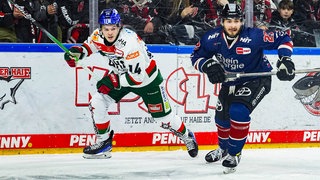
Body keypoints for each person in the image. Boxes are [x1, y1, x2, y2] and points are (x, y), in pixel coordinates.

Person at [64, 8, 198, 159]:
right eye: (106, 29)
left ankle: (187, 136)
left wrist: (114, 81)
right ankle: (104, 143)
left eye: (113, 28)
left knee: (163, 120)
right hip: (122, 75)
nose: (109, 33)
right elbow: (90, 47)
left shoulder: (130, 43)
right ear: (101, 28)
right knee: (97, 101)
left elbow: (138, 78)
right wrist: (78, 52)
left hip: (147, 80)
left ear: (119, 26)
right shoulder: (97, 35)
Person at [190, 3, 295, 173]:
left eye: (237, 21)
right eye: (229, 21)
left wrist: (285, 59)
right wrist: (207, 65)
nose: (233, 25)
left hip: (257, 79)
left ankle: (234, 152)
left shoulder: (254, 36)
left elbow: (284, 38)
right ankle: (223, 149)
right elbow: (196, 56)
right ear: (222, 21)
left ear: (242, 21)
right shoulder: (211, 38)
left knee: (238, 111)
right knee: (221, 120)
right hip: (230, 81)